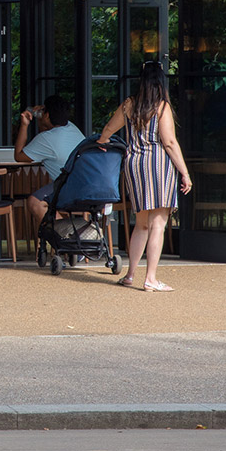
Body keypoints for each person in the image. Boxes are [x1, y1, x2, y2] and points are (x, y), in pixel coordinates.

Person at [97, 61, 193, 292]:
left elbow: (109, 128)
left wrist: (102, 142)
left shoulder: (129, 104)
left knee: (141, 224)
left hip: (134, 164)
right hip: (158, 164)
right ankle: (150, 278)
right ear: (160, 82)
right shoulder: (161, 107)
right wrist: (185, 172)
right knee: (158, 224)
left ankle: (130, 275)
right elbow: (169, 142)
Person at [14, 94, 87, 231]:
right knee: (49, 200)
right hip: (88, 185)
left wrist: (24, 125)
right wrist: (43, 118)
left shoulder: (45, 139)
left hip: (70, 187)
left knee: (35, 202)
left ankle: (69, 236)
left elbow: (19, 156)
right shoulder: (72, 128)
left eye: (43, 111)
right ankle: (73, 235)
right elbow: (50, 132)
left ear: (46, 115)